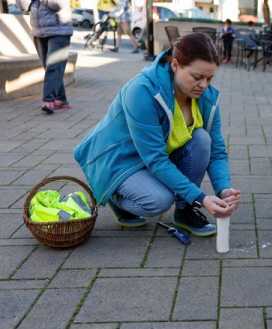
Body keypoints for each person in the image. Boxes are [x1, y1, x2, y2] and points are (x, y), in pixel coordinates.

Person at [74, 33, 241, 236]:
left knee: (202, 139)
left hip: (154, 155)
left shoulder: (204, 96)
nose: (204, 85)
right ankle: (113, 195)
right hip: (119, 161)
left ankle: (185, 211)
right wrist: (200, 197)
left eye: (210, 78)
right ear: (175, 65)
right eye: (197, 77)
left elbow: (217, 151)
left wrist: (224, 189)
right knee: (159, 200)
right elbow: (156, 159)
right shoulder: (142, 91)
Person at [17, 0, 73, 114]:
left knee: (53, 66)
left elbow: (58, 4)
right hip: (39, 32)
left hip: (59, 31)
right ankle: (60, 99)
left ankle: (49, 100)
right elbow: (23, 7)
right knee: (49, 67)